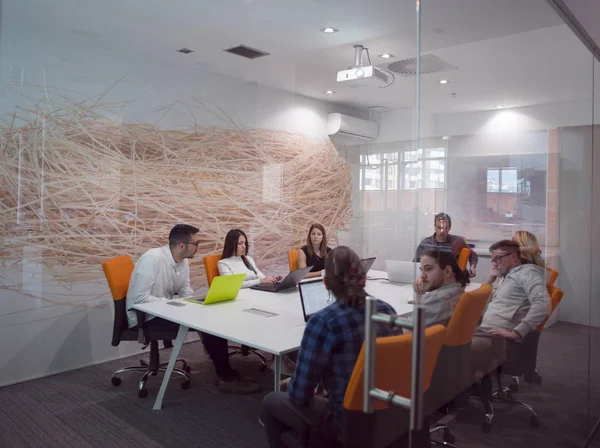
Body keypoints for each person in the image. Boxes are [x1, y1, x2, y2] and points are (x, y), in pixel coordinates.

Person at [261, 246, 401, 446]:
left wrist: (292, 383)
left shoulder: (323, 322)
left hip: (346, 420)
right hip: (389, 411)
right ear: (363, 276)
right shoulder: (387, 310)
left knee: (272, 401)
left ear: (325, 283)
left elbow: (300, 395)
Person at [125, 224, 261, 394]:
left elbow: (185, 291)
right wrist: (172, 305)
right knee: (209, 326)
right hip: (145, 317)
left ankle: (222, 368)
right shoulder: (152, 259)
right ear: (181, 245)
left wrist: (198, 302)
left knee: (212, 316)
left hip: (163, 310)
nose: (198, 247)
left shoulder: (183, 261)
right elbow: (140, 299)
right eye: (196, 244)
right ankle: (226, 377)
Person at [471, 239, 551, 378]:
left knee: (452, 349)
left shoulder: (527, 273)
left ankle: (459, 393)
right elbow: (484, 305)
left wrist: (517, 333)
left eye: (498, 259)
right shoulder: (507, 277)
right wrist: (490, 280)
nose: (495, 264)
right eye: (493, 260)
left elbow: (543, 302)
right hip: (485, 332)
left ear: (513, 257)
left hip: (496, 338)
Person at [409, 248, 470, 328]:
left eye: (428, 269)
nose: (422, 276)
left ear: (447, 271)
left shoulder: (436, 299)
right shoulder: (458, 291)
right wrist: (420, 296)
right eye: (422, 270)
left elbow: (411, 331)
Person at [413, 213, 478, 280]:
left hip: (450, 279)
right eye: (439, 228)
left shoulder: (457, 241)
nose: (442, 231)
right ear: (435, 227)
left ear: (449, 228)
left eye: (445, 228)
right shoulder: (426, 243)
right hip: (431, 279)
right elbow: (415, 264)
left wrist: (472, 266)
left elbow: (472, 254)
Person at [217, 229, 281, 288]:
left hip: (256, 293)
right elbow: (231, 285)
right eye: (240, 243)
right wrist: (259, 281)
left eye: (245, 243)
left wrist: (273, 279)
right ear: (231, 245)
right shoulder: (223, 263)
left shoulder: (248, 259)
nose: (244, 246)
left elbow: (261, 277)